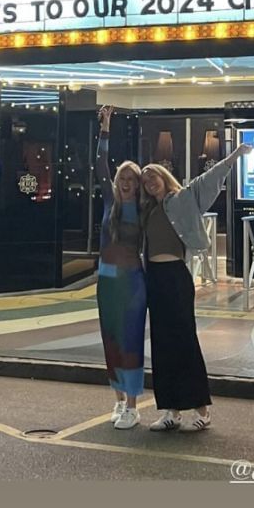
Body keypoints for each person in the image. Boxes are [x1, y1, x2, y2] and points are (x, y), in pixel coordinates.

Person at [141, 141, 251, 431]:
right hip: (154, 278)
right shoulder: (147, 211)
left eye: (153, 175)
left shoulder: (183, 199)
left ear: (163, 177)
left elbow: (209, 179)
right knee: (162, 345)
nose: (150, 182)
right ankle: (170, 411)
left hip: (176, 277)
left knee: (185, 341)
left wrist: (234, 157)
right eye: (145, 180)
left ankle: (201, 410)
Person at [94, 106, 146, 431]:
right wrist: (105, 131)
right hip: (106, 281)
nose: (125, 183)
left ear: (138, 184)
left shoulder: (144, 208)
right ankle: (117, 398)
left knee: (130, 339)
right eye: (121, 178)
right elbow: (100, 164)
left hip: (132, 282)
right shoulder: (110, 203)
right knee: (110, 339)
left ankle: (132, 405)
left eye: (131, 179)